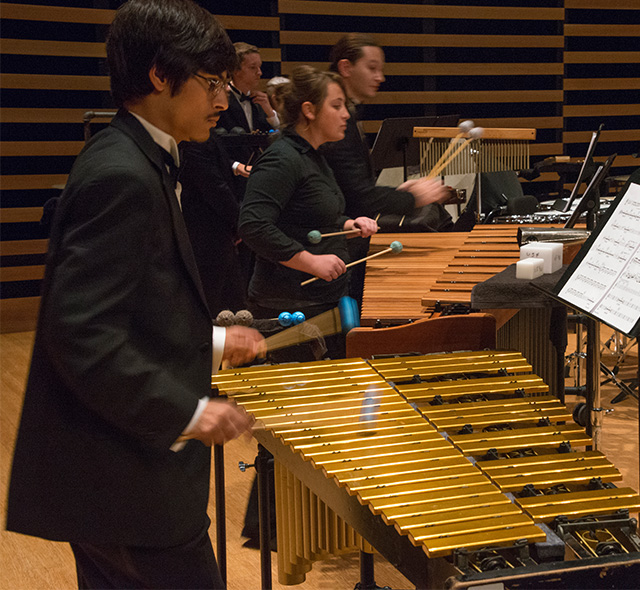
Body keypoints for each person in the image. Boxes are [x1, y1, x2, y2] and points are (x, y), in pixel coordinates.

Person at [6, 2, 264, 589]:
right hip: (121, 480)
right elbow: (82, 335)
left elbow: (137, 306)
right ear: (158, 74)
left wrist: (215, 341)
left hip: (117, 478)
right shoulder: (121, 174)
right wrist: (192, 412)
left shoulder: (142, 155)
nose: (223, 101)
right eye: (211, 82)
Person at [238, 65, 378, 362]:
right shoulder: (282, 158)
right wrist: (311, 261)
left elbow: (309, 215)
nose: (346, 115)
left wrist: (347, 223)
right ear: (309, 110)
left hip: (322, 302)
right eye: (337, 106)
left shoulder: (314, 155)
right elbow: (253, 225)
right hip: (286, 306)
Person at [319, 33, 451, 306]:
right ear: (345, 68)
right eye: (372, 67)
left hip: (347, 238)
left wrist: (399, 192)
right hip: (330, 249)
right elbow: (357, 196)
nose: (380, 77)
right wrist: (413, 198)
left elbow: (352, 185)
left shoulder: (348, 115)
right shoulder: (336, 122)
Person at [218, 42, 281, 178]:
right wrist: (234, 165)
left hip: (255, 175)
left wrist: (270, 112)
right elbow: (210, 145)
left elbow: (277, 136)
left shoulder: (259, 103)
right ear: (235, 70)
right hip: (227, 176)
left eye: (259, 67)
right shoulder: (220, 100)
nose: (260, 73)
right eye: (253, 67)